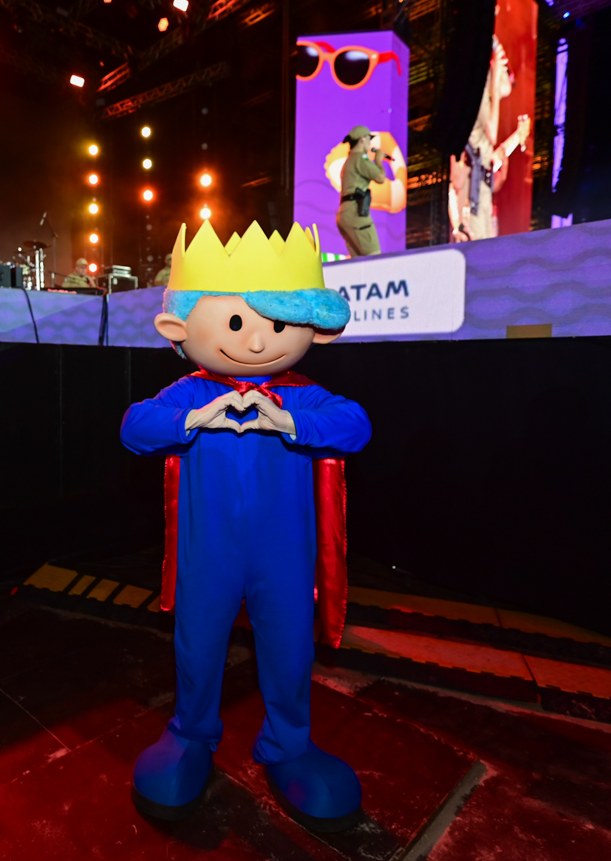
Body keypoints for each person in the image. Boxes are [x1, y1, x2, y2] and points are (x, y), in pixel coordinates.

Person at [122, 220, 369, 830]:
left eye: (278, 324)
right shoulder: (191, 391)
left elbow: (355, 425)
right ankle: (191, 732)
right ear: (180, 327)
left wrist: (289, 422)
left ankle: (288, 744)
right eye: (237, 322)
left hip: (284, 559)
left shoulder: (301, 395)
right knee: (198, 644)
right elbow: (134, 426)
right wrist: (194, 419)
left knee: (289, 648)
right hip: (209, 554)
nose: (258, 341)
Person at [448, 35, 531, 242]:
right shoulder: (478, 100)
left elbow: (490, 159)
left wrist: (517, 137)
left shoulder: (487, 97)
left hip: (481, 198)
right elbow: (491, 137)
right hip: (471, 203)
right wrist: (494, 81)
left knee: (489, 249)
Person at [334, 125, 387, 258]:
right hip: (355, 213)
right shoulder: (360, 158)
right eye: (369, 139)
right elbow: (380, 178)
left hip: (345, 213)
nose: (370, 143)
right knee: (374, 256)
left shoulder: (349, 161)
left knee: (358, 261)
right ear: (362, 139)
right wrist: (378, 160)